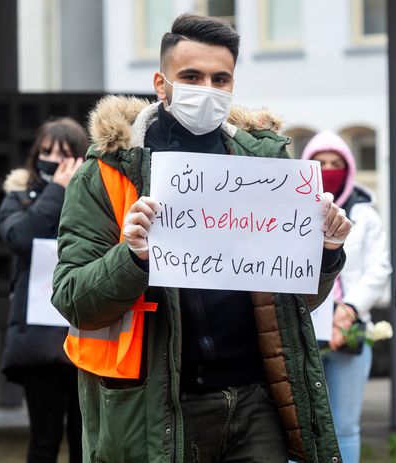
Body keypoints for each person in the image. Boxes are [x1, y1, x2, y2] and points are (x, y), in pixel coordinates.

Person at [51, 14, 352, 463]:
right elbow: (72, 298)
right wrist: (131, 259)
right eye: (191, 76)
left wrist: (325, 252)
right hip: (163, 406)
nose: (207, 89)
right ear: (161, 82)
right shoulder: (109, 172)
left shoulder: (266, 166)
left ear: (233, 85)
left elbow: (294, 302)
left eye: (220, 78)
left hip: (256, 403)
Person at [0, 117, 86, 462]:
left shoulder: (93, 195)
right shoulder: (17, 196)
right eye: (46, 151)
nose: (52, 159)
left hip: (81, 333)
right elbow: (20, 237)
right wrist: (56, 191)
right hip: (37, 341)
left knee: (85, 441)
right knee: (43, 441)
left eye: (63, 153)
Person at [300, 131, 392, 463]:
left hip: (351, 332)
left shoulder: (366, 215)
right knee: (301, 427)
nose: (328, 169)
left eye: (336, 164)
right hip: (305, 332)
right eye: (320, 163)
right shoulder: (292, 213)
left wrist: (349, 309)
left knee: (345, 428)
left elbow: (378, 269)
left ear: (349, 168)